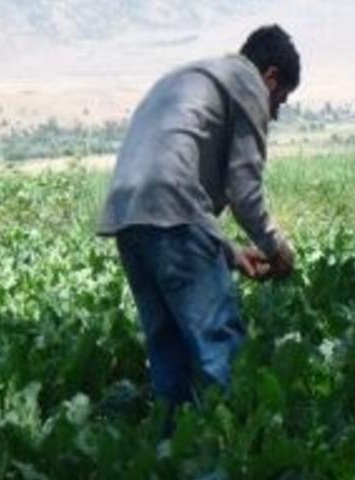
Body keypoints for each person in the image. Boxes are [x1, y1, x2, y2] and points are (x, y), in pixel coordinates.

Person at [97, 25, 300, 411]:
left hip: (129, 215)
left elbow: (177, 178)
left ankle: (174, 452)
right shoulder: (248, 83)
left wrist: (230, 252)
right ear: (271, 77)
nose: (273, 114)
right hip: (173, 214)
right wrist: (277, 247)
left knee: (167, 347)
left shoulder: (194, 76)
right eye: (281, 101)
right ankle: (228, 454)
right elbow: (244, 191)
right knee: (219, 348)